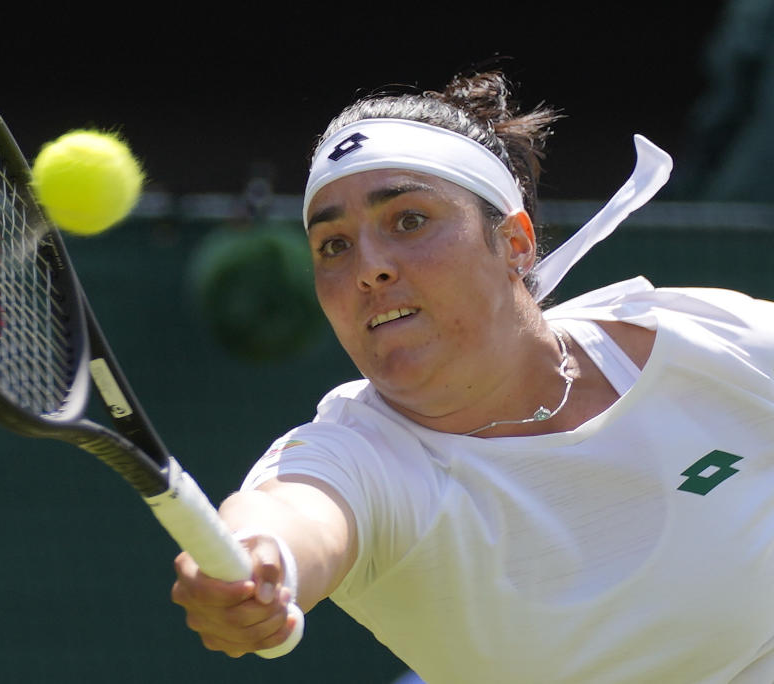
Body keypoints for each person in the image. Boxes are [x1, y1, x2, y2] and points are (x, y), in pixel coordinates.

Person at [170, 71, 774, 683]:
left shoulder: (712, 342)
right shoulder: (353, 458)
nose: (369, 268)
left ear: (514, 241)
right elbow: (290, 513)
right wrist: (258, 557)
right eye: (333, 245)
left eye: (408, 221)